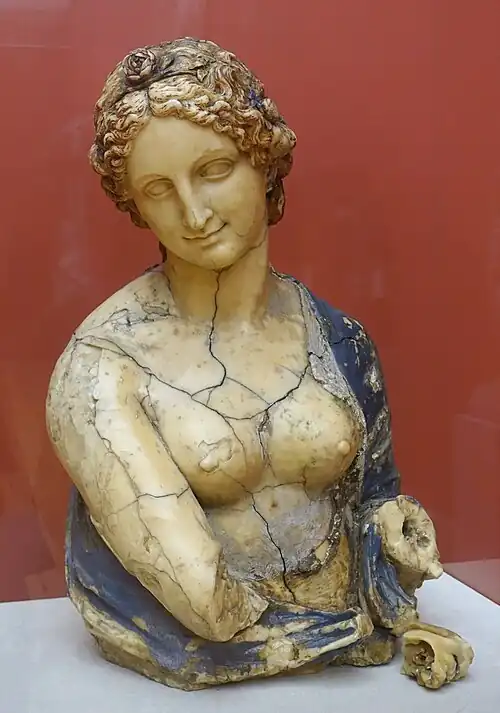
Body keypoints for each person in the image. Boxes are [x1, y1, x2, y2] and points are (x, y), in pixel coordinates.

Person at [46, 38, 466, 691]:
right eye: (158, 189)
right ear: (134, 205)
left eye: (214, 169)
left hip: (343, 637)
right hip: (207, 642)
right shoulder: (102, 368)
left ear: (263, 160)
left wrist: (391, 534)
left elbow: (370, 497)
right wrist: (342, 627)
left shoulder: (340, 338)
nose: (194, 213)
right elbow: (207, 604)